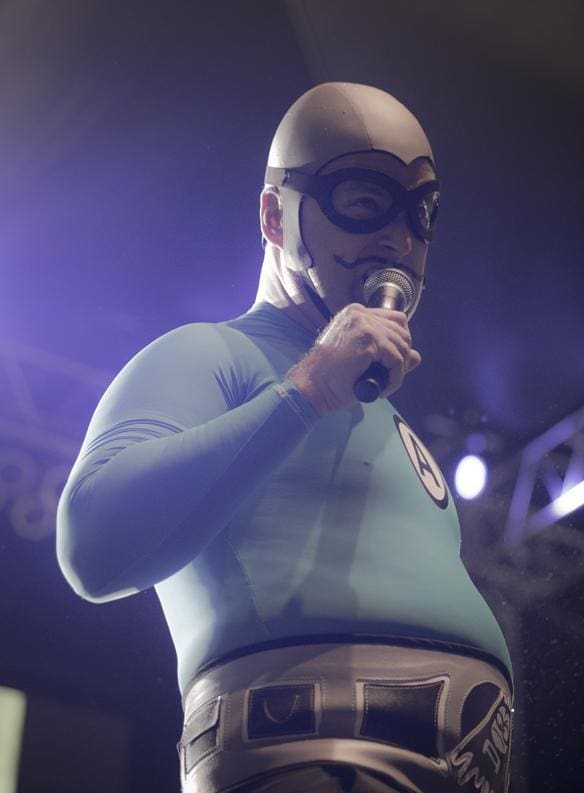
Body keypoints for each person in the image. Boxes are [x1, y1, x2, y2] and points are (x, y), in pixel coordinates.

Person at [56, 83, 514, 793]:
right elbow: (94, 544)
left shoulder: (380, 409)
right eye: (364, 200)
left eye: (419, 211)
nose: (399, 238)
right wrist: (308, 388)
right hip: (308, 745)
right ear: (276, 216)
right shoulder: (210, 354)